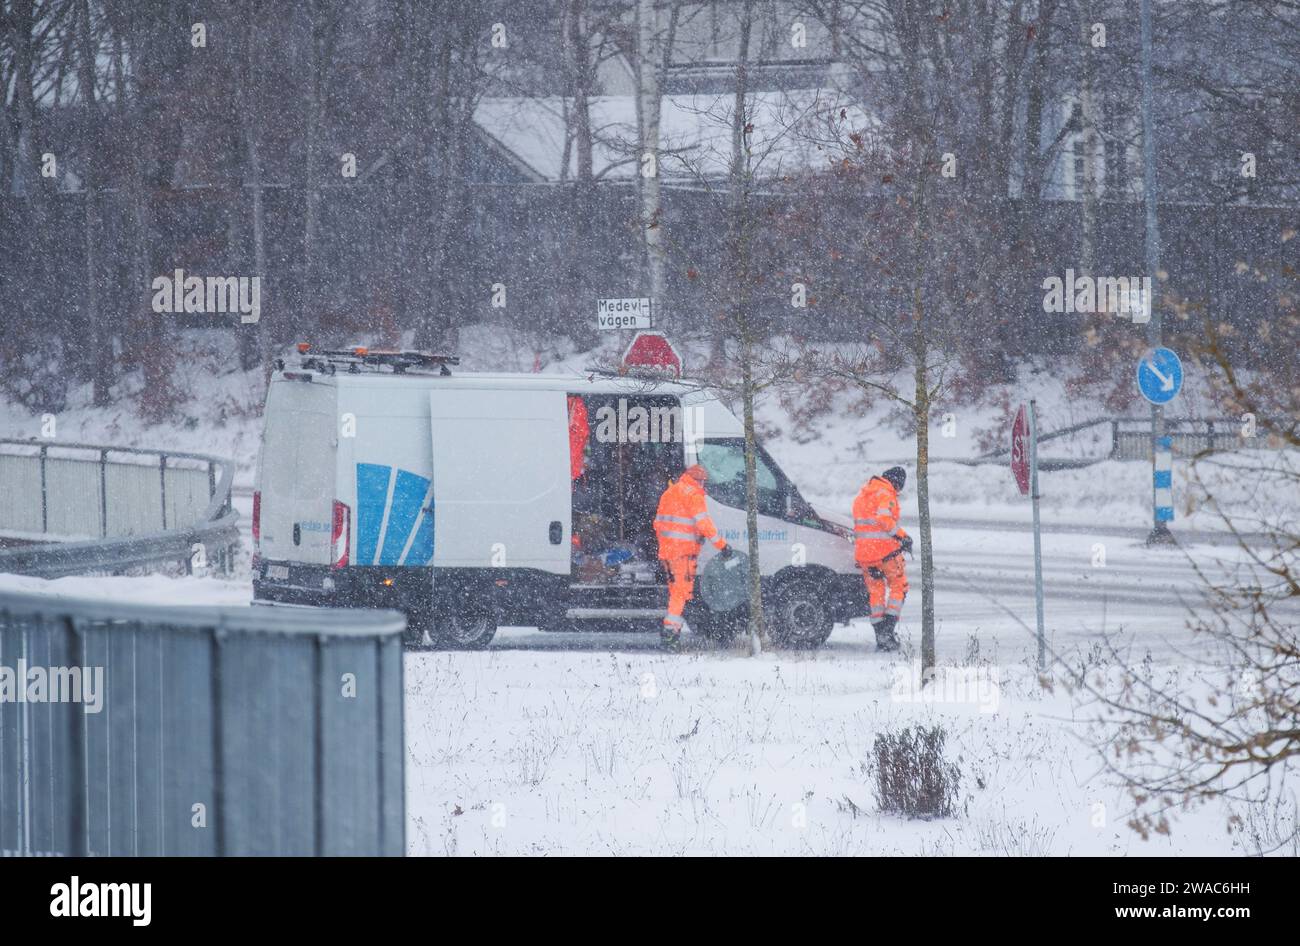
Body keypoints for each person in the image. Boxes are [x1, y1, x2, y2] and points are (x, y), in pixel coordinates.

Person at [653, 463, 733, 649]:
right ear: (700, 481)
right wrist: (722, 545)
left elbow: (658, 524)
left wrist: (667, 545)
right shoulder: (694, 494)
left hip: (668, 552)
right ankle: (670, 633)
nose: (704, 486)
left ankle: (671, 631)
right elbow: (703, 523)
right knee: (680, 594)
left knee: (676, 592)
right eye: (704, 482)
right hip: (683, 554)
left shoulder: (670, 492)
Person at [852, 466, 912, 652]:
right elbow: (885, 520)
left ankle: (880, 633)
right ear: (896, 482)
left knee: (876, 592)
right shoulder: (885, 493)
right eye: (899, 486)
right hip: (885, 553)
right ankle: (888, 629)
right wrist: (903, 536)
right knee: (899, 586)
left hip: (865, 555)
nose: (899, 491)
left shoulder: (863, 495)